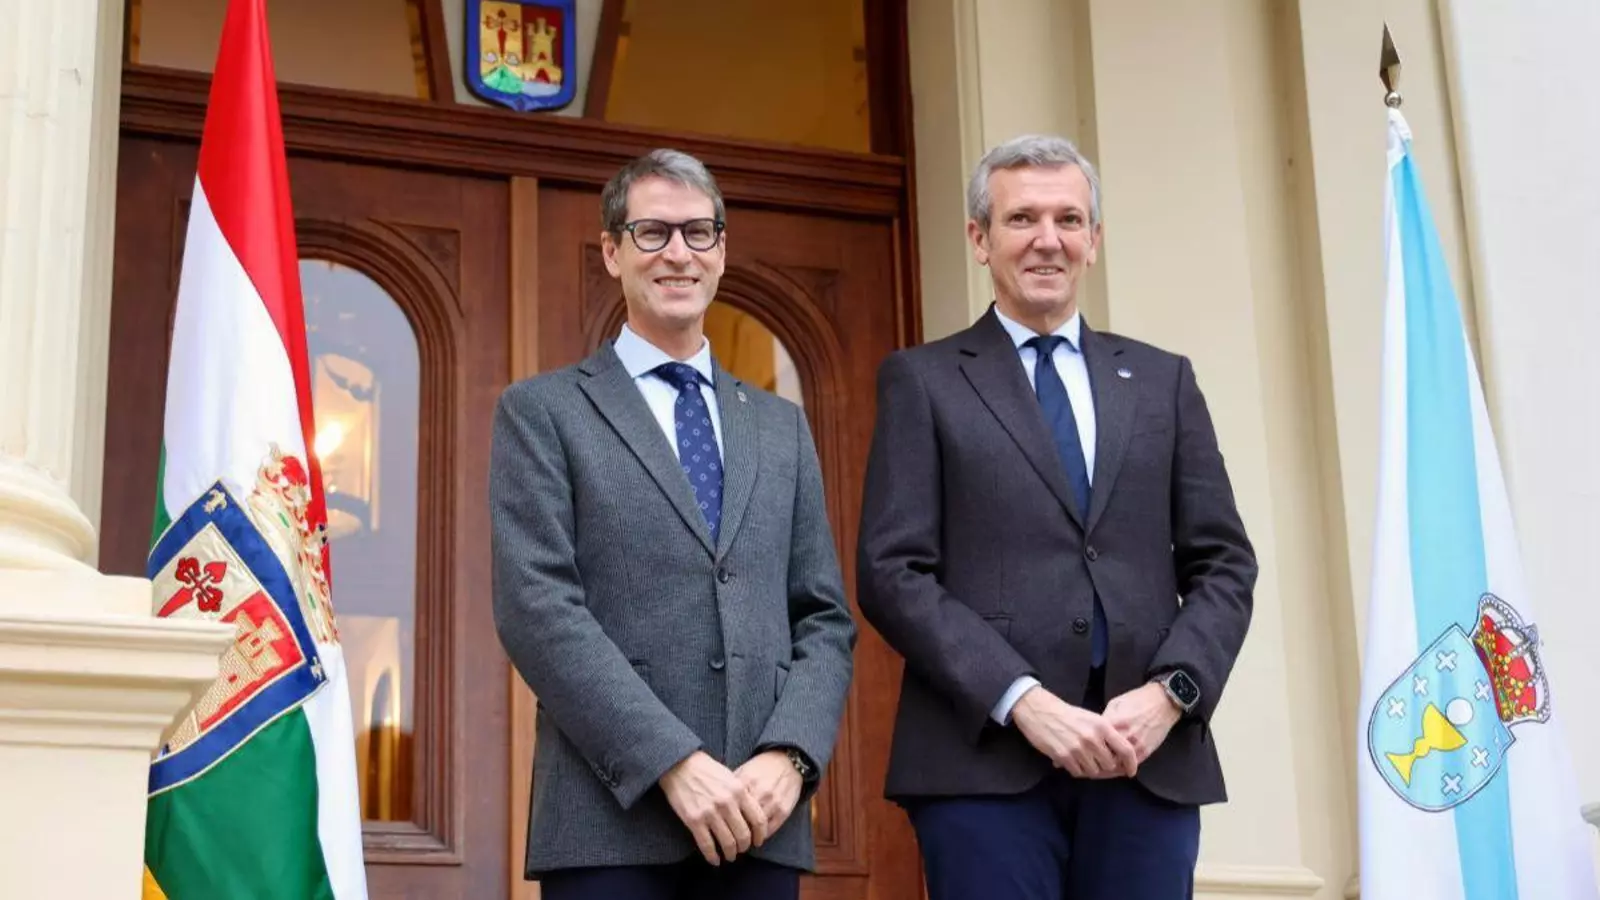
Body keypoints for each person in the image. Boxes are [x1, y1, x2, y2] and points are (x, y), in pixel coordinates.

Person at [855, 134, 1257, 899]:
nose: (1048, 240)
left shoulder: (1163, 381)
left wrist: (1171, 694)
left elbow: (1224, 563)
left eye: (1069, 219)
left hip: (1145, 760)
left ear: (1094, 241)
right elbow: (892, 571)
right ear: (980, 238)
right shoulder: (922, 381)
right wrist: (1022, 700)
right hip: (984, 765)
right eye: (1022, 219)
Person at [489, 148, 856, 900]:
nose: (678, 253)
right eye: (652, 233)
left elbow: (822, 616)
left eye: (698, 232)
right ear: (612, 251)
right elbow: (537, 608)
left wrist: (792, 756)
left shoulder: (781, 427)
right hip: (609, 823)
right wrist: (671, 760)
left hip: (761, 818)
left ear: (721, 249)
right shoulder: (543, 411)